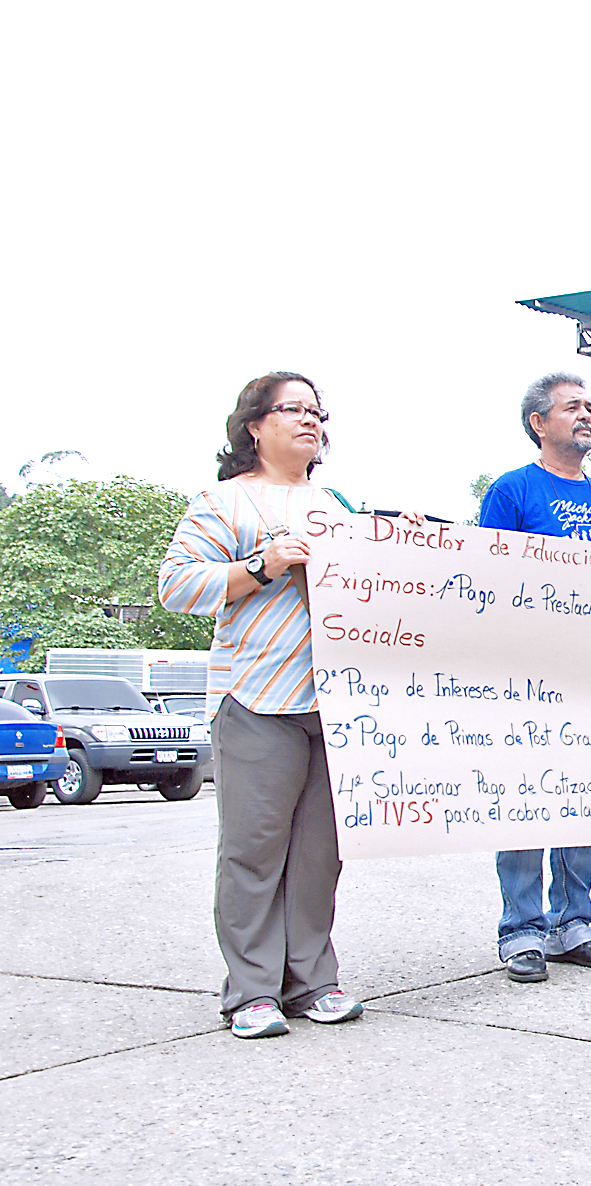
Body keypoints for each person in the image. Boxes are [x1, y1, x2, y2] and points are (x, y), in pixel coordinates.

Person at [159, 372, 411, 1038]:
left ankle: (313, 981)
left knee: (320, 852)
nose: (309, 420)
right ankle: (251, 990)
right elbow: (178, 586)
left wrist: (403, 544)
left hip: (335, 703)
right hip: (258, 698)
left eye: (316, 411)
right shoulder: (222, 502)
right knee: (254, 848)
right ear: (254, 425)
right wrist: (264, 565)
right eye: (291, 409)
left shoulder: (335, 503)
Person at [478, 373, 591, 981]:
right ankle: (521, 930)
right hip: (529, 673)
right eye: (572, 407)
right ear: (539, 423)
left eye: (590, 408)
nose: (586, 416)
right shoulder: (512, 491)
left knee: (583, 799)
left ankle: (572, 921)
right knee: (528, 799)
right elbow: (489, 579)